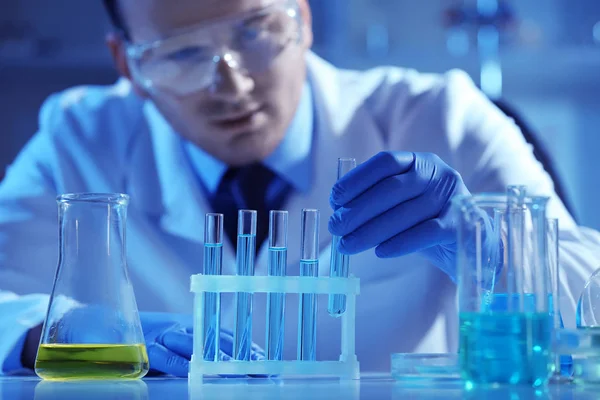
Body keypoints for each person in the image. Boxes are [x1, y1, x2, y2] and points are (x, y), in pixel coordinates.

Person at [1, 0, 599, 377]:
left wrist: (491, 252)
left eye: (255, 32)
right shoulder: (76, 139)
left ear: (302, 19)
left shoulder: (442, 114)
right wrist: (71, 330)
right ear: (128, 64)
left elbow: (589, 296)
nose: (229, 84)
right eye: (181, 53)